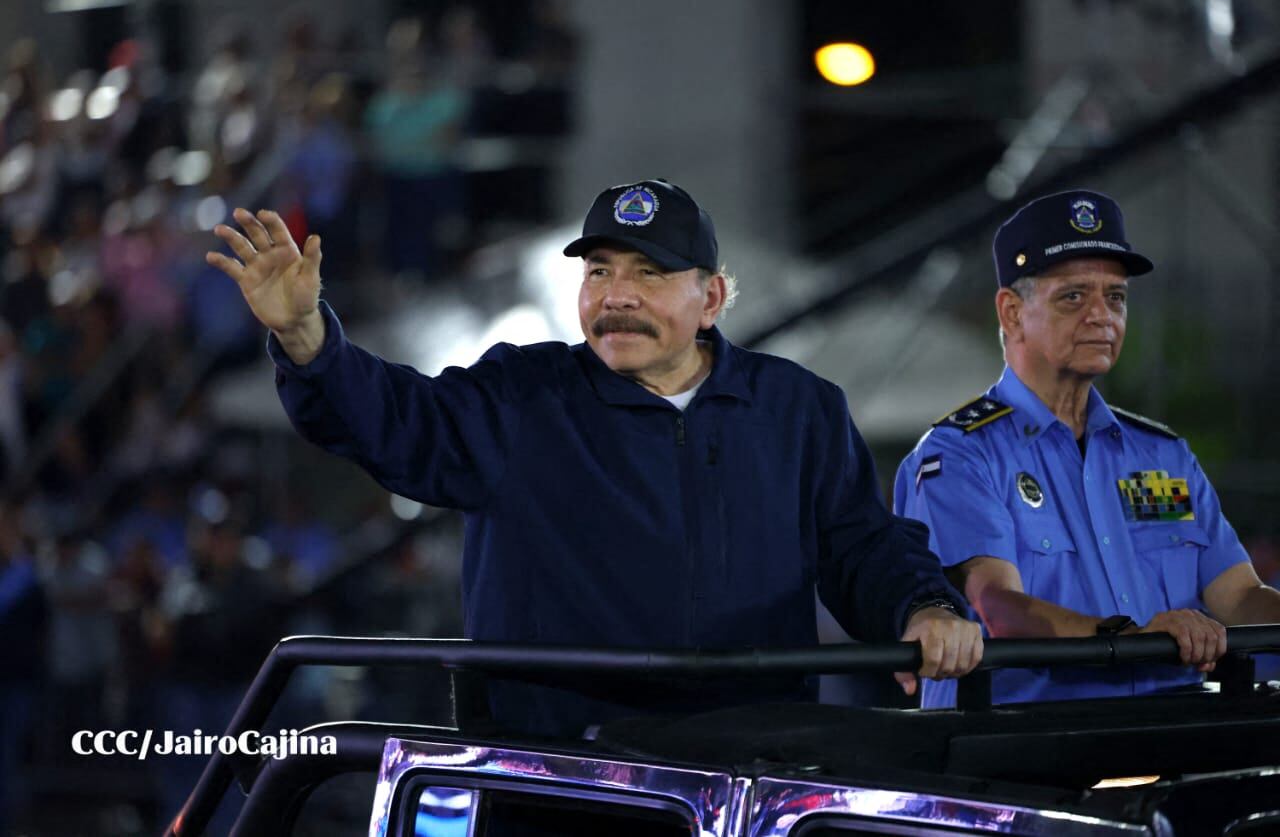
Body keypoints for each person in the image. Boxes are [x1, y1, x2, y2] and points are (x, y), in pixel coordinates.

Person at [208, 179, 982, 736]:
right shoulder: (521, 394)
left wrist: (924, 606)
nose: (617, 294)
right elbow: (392, 421)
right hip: (560, 777)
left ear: (710, 299)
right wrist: (306, 336)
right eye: (601, 270)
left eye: (649, 272)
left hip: (747, 768)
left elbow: (860, 545)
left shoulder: (797, 407)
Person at [895, 189, 1280, 709]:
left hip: (1172, 737)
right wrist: (1133, 636)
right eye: (1073, 297)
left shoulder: (1161, 455)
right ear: (1011, 313)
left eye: (1116, 297)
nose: (1103, 316)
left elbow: (1236, 596)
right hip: (1024, 751)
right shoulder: (961, 454)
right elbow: (999, 608)